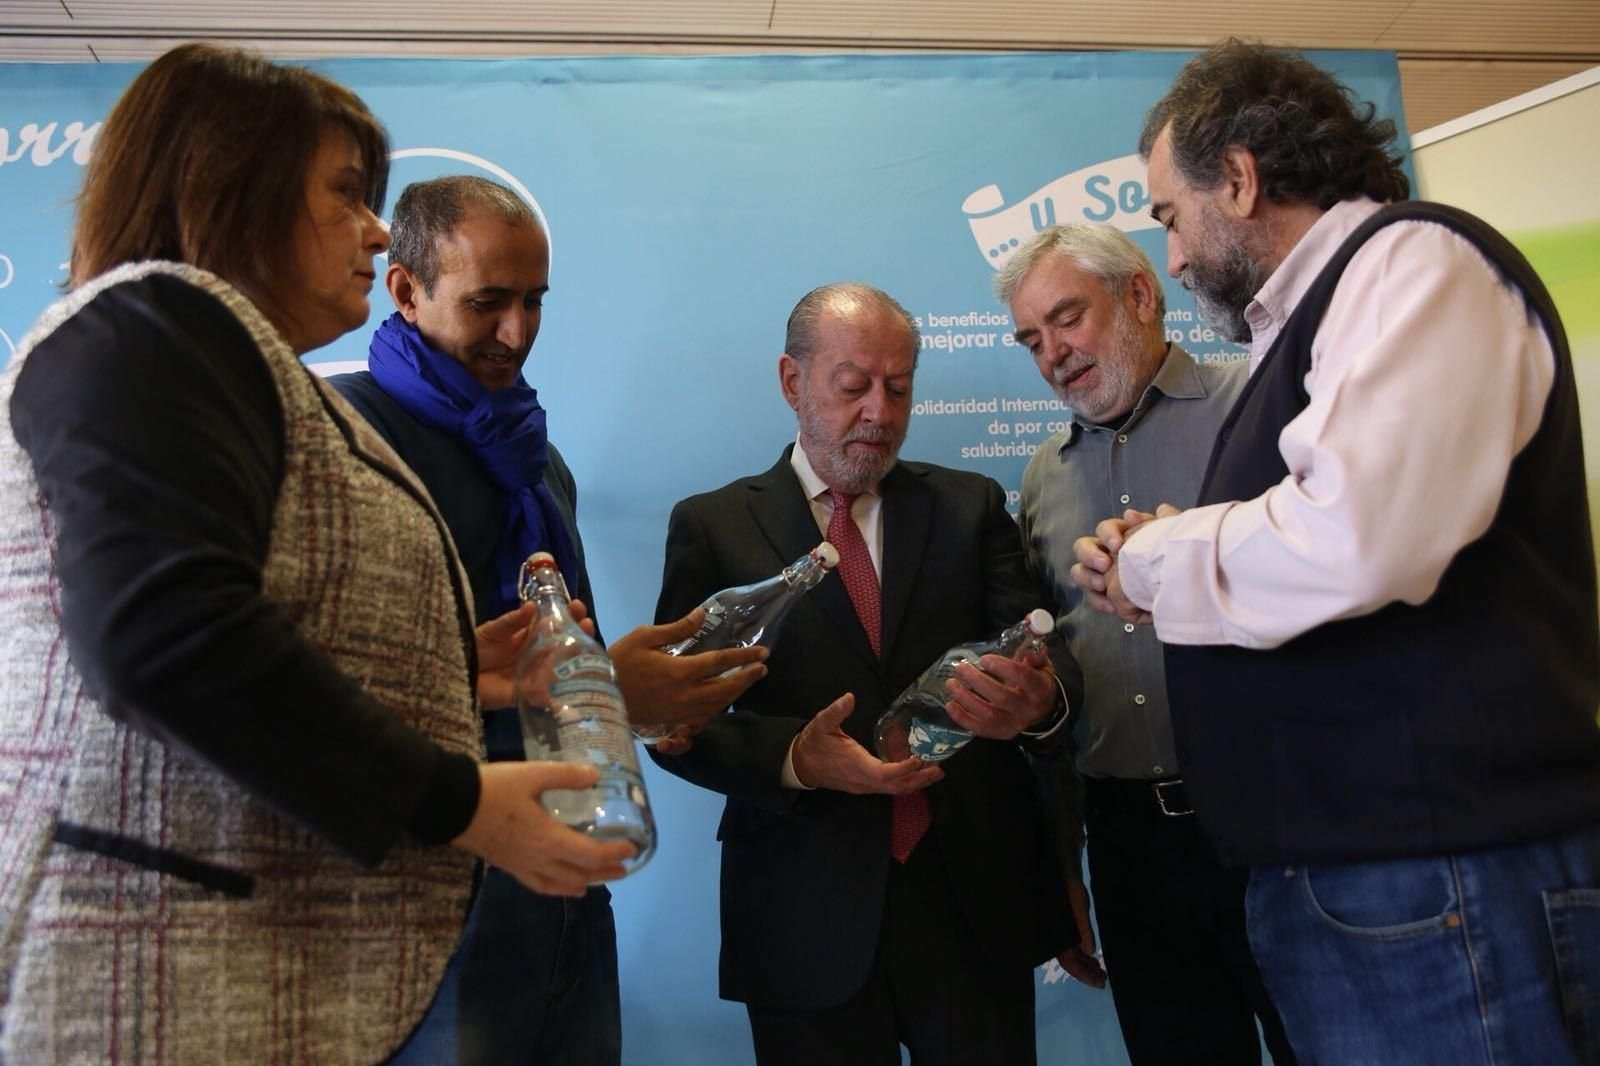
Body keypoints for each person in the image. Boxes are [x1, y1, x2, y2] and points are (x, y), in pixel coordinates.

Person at [0, 44, 634, 1063]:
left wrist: (447, 673)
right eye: (345, 193)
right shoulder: (154, 319)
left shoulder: (243, 368)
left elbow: (238, 614)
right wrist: (460, 797)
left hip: (259, 956)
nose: (376, 226)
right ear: (231, 184)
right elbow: (161, 634)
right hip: (152, 962)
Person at [1071, 40, 1600, 1064]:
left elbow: (1355, 535)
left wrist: (1152, 560)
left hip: (1442, 882)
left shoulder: (1415, 261)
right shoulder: (1313, 318)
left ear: (1238, 176)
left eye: (1169, 218)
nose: (1170, 260)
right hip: (1375, 883)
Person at [329, 175, 767, 1064]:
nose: (517, 334)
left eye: (534, 302)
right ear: (405, 289)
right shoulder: (341, 443)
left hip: (570, 886)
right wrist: (600, 680)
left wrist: (635, 701)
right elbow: (311, 697)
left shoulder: (540, 460)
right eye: (489, 302)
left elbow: (565, 671)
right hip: (430, 902)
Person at [652, 282, 1077, 1066]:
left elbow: (1054, 675)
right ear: (793, 382)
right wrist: (793, 759)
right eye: (853, 387)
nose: (879, 412)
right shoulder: (711, 526)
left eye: (900, 387)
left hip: (971, 905)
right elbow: (677, 725)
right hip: (801, 915)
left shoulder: (970, 505)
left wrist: (1038, 703)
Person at [999, 221, 1294, 1064]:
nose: (1052, 352)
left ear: (1139, 294)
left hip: (1275, 822)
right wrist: (1063, 861)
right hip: (1129, 844)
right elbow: (1052, 687)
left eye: (1067, 318)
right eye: (1032, 340)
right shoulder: (1043, 478)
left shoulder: (1258, 407)